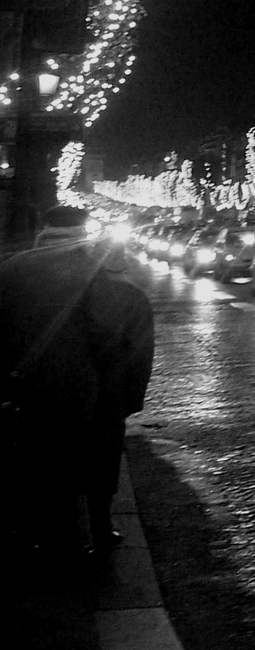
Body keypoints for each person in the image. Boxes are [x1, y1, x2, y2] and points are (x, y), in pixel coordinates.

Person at [0, 206, 154, 559]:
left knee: (36, 461)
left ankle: (32, 530)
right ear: (85, 231)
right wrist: (129, 397)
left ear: (44, 228)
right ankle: (97, 526)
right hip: (91, 391)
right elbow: (118, 335)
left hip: (27, 389)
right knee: (96, 462)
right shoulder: (98, 273)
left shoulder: (10, 268)